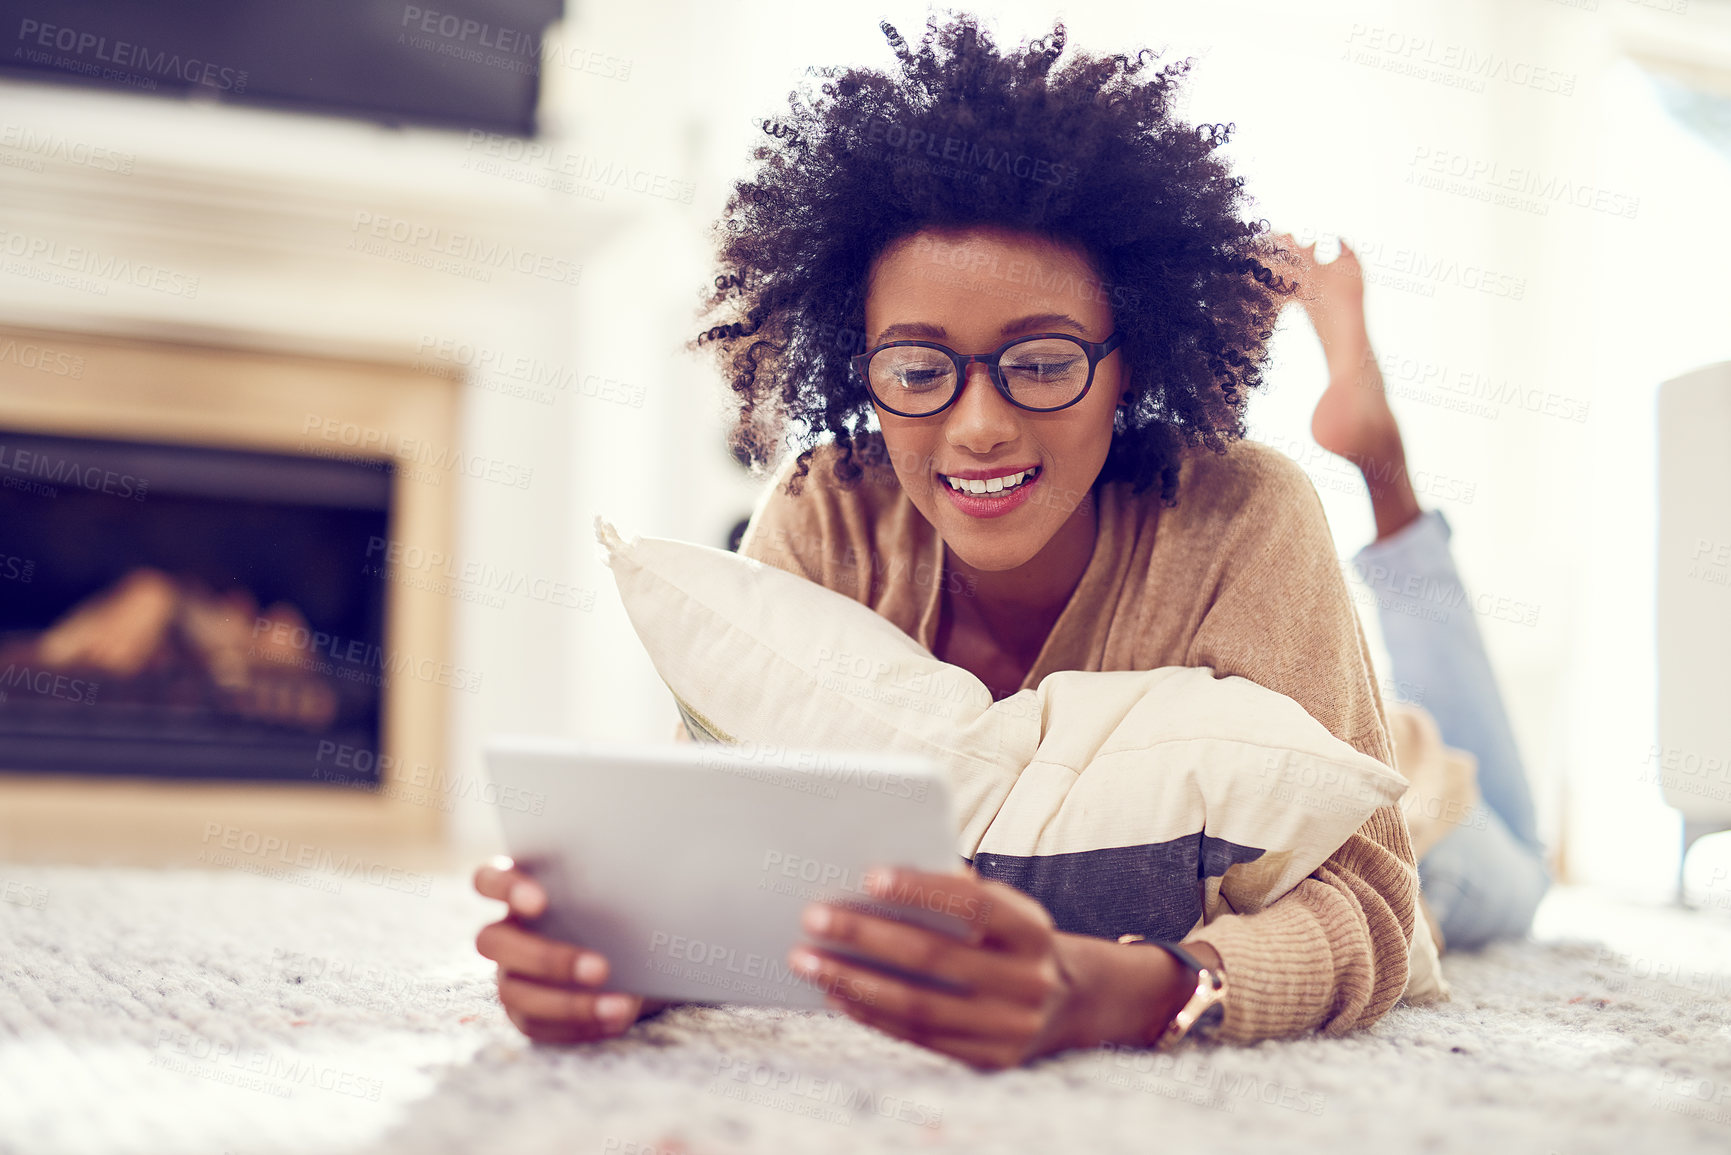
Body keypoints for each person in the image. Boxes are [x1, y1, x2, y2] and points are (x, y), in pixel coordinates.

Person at [474, 13, 1418, 1068]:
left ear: (1133, 364)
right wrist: (622, 960)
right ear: (859, 370)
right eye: (919, 372)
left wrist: (1117, 991)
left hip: (1412, 794)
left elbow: (1380, 908)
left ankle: (1394, 481)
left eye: (1047, 361)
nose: (977, 427)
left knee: (1493, 872)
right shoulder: (826, 513)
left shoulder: (1246, 517)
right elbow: (748, 856)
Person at [1270, 233, 1552, 952]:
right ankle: (1385, 473)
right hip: (1391, 813)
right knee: (1522, 867)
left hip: (1381, 775)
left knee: (1453, 772)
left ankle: (1383, 467)